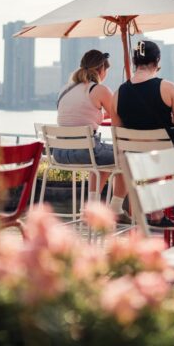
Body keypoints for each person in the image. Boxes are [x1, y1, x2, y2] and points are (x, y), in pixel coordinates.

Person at [110, 40, 174, 227]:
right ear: (157, 61)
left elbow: (121, 134)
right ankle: (157, 213)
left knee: (154, 152)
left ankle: (154, 212)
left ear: (135, 62)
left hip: (134, 160)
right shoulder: (167, 88)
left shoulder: (118, 93)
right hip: (168, 158)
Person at [56, 49, 130, 224]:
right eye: (106, 71)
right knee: (127, 157)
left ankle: (92, 208)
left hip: (59, 152)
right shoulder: (99, 89)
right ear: (101, 70)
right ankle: (116, 209)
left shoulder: (65, 89)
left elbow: (81, 114)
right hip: (84, 151)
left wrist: (101, 116)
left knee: (102, 157)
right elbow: (119, 115)